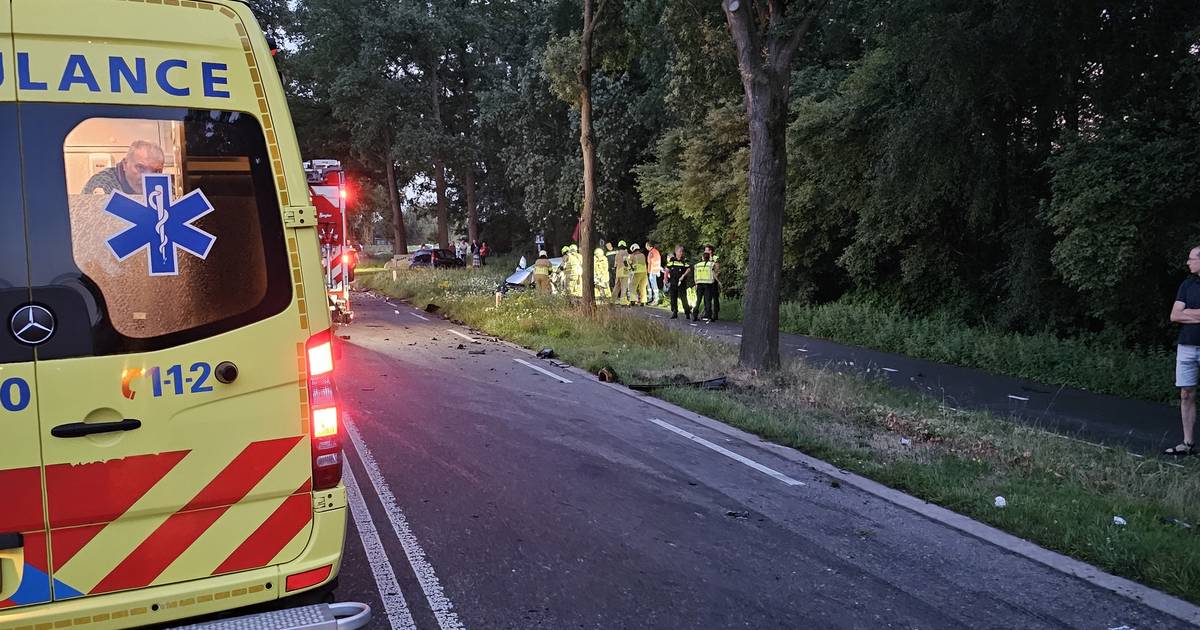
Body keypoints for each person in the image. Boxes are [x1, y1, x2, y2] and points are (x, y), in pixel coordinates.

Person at [1167, 245, 1200, 456]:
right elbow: (1175, 315)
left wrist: (1189, 313)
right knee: (1186, 394)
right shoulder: (1187, 284)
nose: (1188, 262)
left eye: (1191, 259)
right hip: (1187, 346)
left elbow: (1183, 313)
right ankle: (1188, 443)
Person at [83, 140, 165, 195]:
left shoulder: (162, 185)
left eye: (156, 171)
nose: (147, 177)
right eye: (140, 168)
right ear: (125, 164)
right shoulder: (102, 183)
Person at [665, 245, 693, 319]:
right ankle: (674, 312)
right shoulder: (672, 260)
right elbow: (667, 270)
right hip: (673, 281)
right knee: (673, 297)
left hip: (681, 282)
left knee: (683, 297)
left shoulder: (684, 260)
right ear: (676, 252)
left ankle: (687, 312)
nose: (681, 253)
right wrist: (665, 279)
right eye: (680, 251)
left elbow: (688, 269)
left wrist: (683, 276)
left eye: (682, 251)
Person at [693, 245, 718, 322]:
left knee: (698, 300)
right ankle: (709, 316)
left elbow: (695, 275)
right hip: (708, 284)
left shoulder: (697, 265)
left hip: (699, 284)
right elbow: (716, 271)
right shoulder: (711, 264)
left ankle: (694, 315)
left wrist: (696, 284)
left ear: (703, 258)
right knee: (707, 300)